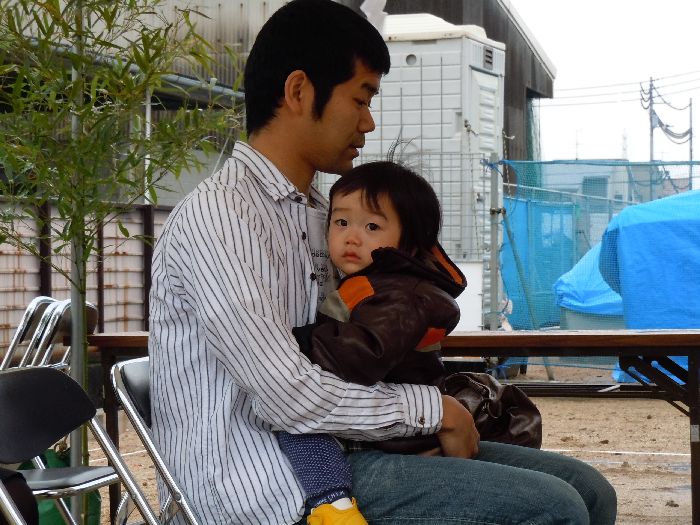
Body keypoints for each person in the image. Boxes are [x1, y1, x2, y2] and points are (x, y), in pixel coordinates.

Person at [148, 1, 617, 523]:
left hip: (348, 449)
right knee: (556, 508)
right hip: (265, 487)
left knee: (590, 490)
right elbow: (287, 397)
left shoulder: (322, 214)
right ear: (299, 92)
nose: (369, 123)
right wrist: (432, 411)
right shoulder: (221, 217)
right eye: (360, 98)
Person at [278, 161, 468, 524]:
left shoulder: (400, 294)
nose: (352, 237)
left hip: (397, 437)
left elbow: (364, 354)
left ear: (410, 243)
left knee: (293, 419)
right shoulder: (371, 282)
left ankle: (332, 502)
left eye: (372, 227)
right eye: (341, 222)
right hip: (388, 424)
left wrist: (300, 342)